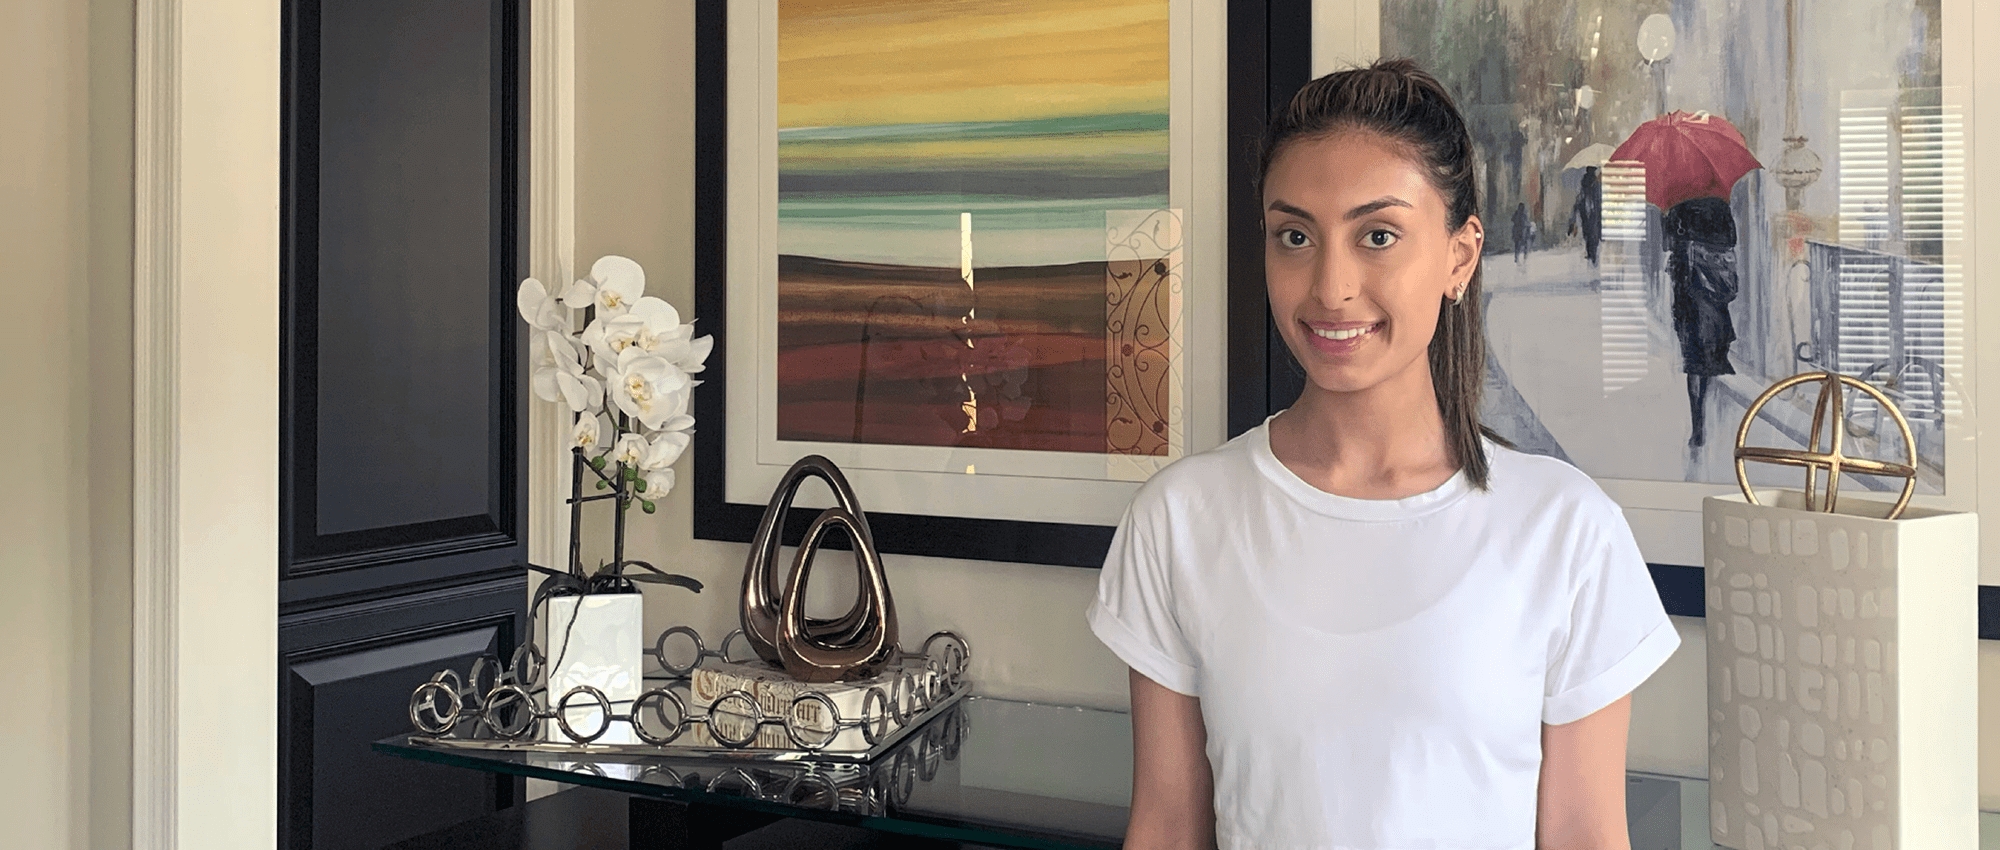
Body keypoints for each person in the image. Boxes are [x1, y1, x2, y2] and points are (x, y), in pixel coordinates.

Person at [1086, 59, 1679, 850]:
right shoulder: (1180, 520)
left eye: (1378, 236)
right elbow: (1166, 827)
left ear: (1459, 258)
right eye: (1294, 236)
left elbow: (1582, 835)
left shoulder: (1566, 532)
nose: (1331, 285)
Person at [1664, 195, 1739, 447]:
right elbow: (1732, 240)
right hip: (1714, 291)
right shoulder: (1720, 205)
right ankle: (1704, 403)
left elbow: (1667, 245)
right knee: (1708, 354)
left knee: (1693, 360)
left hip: (1688, 291)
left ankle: (1698, 424)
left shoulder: (1677, 206)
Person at [1569, 165, 1602, 265]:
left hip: (1586, 209)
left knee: (1588, 232)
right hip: (1593, 210)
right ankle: (1593, 253)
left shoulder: (1585, 180)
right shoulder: (1595, 182)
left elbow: (1582, 194)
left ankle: (1591, 253)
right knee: (1593, 232)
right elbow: (1598, 196)